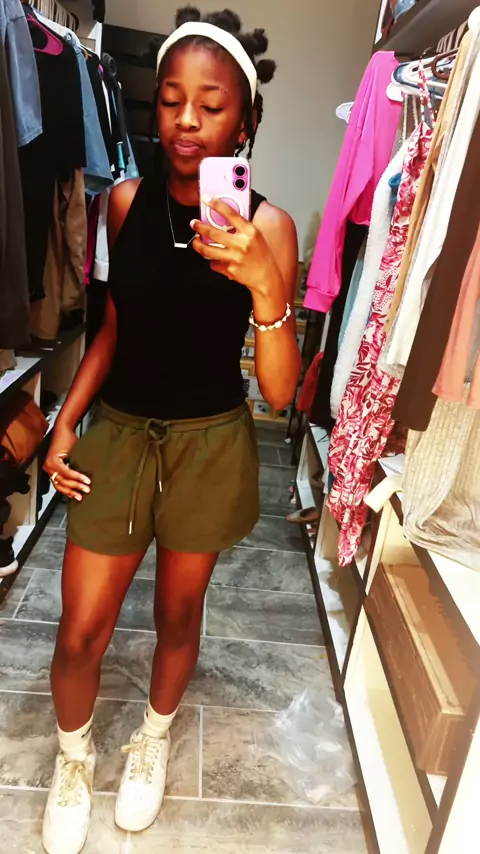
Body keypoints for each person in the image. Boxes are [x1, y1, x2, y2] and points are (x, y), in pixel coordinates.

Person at [42, 7, 300, 853]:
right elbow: (113, 330)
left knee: (178, 615)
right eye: (170, 100)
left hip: (210, 443)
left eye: (211, 104)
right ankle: (73, 758)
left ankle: (151, 741)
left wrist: (266, 289)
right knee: (80, 627)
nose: (187, 119)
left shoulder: (269, 228)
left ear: (245, 121)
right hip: (118, 434)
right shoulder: (123, 203)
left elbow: (280, 393)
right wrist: (65, 422)